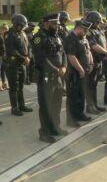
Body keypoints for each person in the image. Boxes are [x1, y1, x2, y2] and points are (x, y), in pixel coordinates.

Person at [32, 13, 68, 143]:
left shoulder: (56, 36)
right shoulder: (39, 38)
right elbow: (41, 59)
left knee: (57, 103)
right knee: (46, 105)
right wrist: (57, 70)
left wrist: (64, 66)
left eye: (57, 24)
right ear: (46, 23)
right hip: (46, 77)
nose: (57, 26)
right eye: (54, 24)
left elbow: (63, 53)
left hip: (58, 76)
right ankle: (44, 132)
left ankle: (55, 127)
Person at [64, 20, 94, 127]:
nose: (86, 32)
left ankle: (80, 114)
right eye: (85, 30)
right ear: (79, 28)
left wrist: (91, 62)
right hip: (74, 72)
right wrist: (80, 69)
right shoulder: (70, 38)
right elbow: (71, 56)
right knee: (73, 96)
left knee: (81, 94)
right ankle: (71, 119)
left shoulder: (83, 37)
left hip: (83, 71)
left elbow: (88, 50)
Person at [85, 11, 107, 113]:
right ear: (92, 21)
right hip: (92, 62)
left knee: (94, 84)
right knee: (90, 86)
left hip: (100, 61)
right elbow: (93, 46)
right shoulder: (88, 32)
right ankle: (90, 107)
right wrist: (106, 52)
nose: (99, 24)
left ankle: (95, 105)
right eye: (97, 22)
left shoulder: (98, 30)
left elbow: (105, 42)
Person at [4, 14, 33, 116]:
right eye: (21, 25)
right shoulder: (9, 34)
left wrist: (28, 57)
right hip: (13, 65)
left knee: (20, 86)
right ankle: (14, 107)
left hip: (22, 64)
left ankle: (22, 105)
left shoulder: (23, 34)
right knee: (14, 87)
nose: (22, 27)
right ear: (16, 24)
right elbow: (12, 50)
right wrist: (23, 58)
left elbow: (28, 46)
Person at [0, 23, 9, 91]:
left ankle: (4, 83)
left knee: (3, 70)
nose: (5, 30)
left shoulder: (5, 37)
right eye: (3, 29)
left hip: (3, 56)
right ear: (0, 29)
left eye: (6, 29)